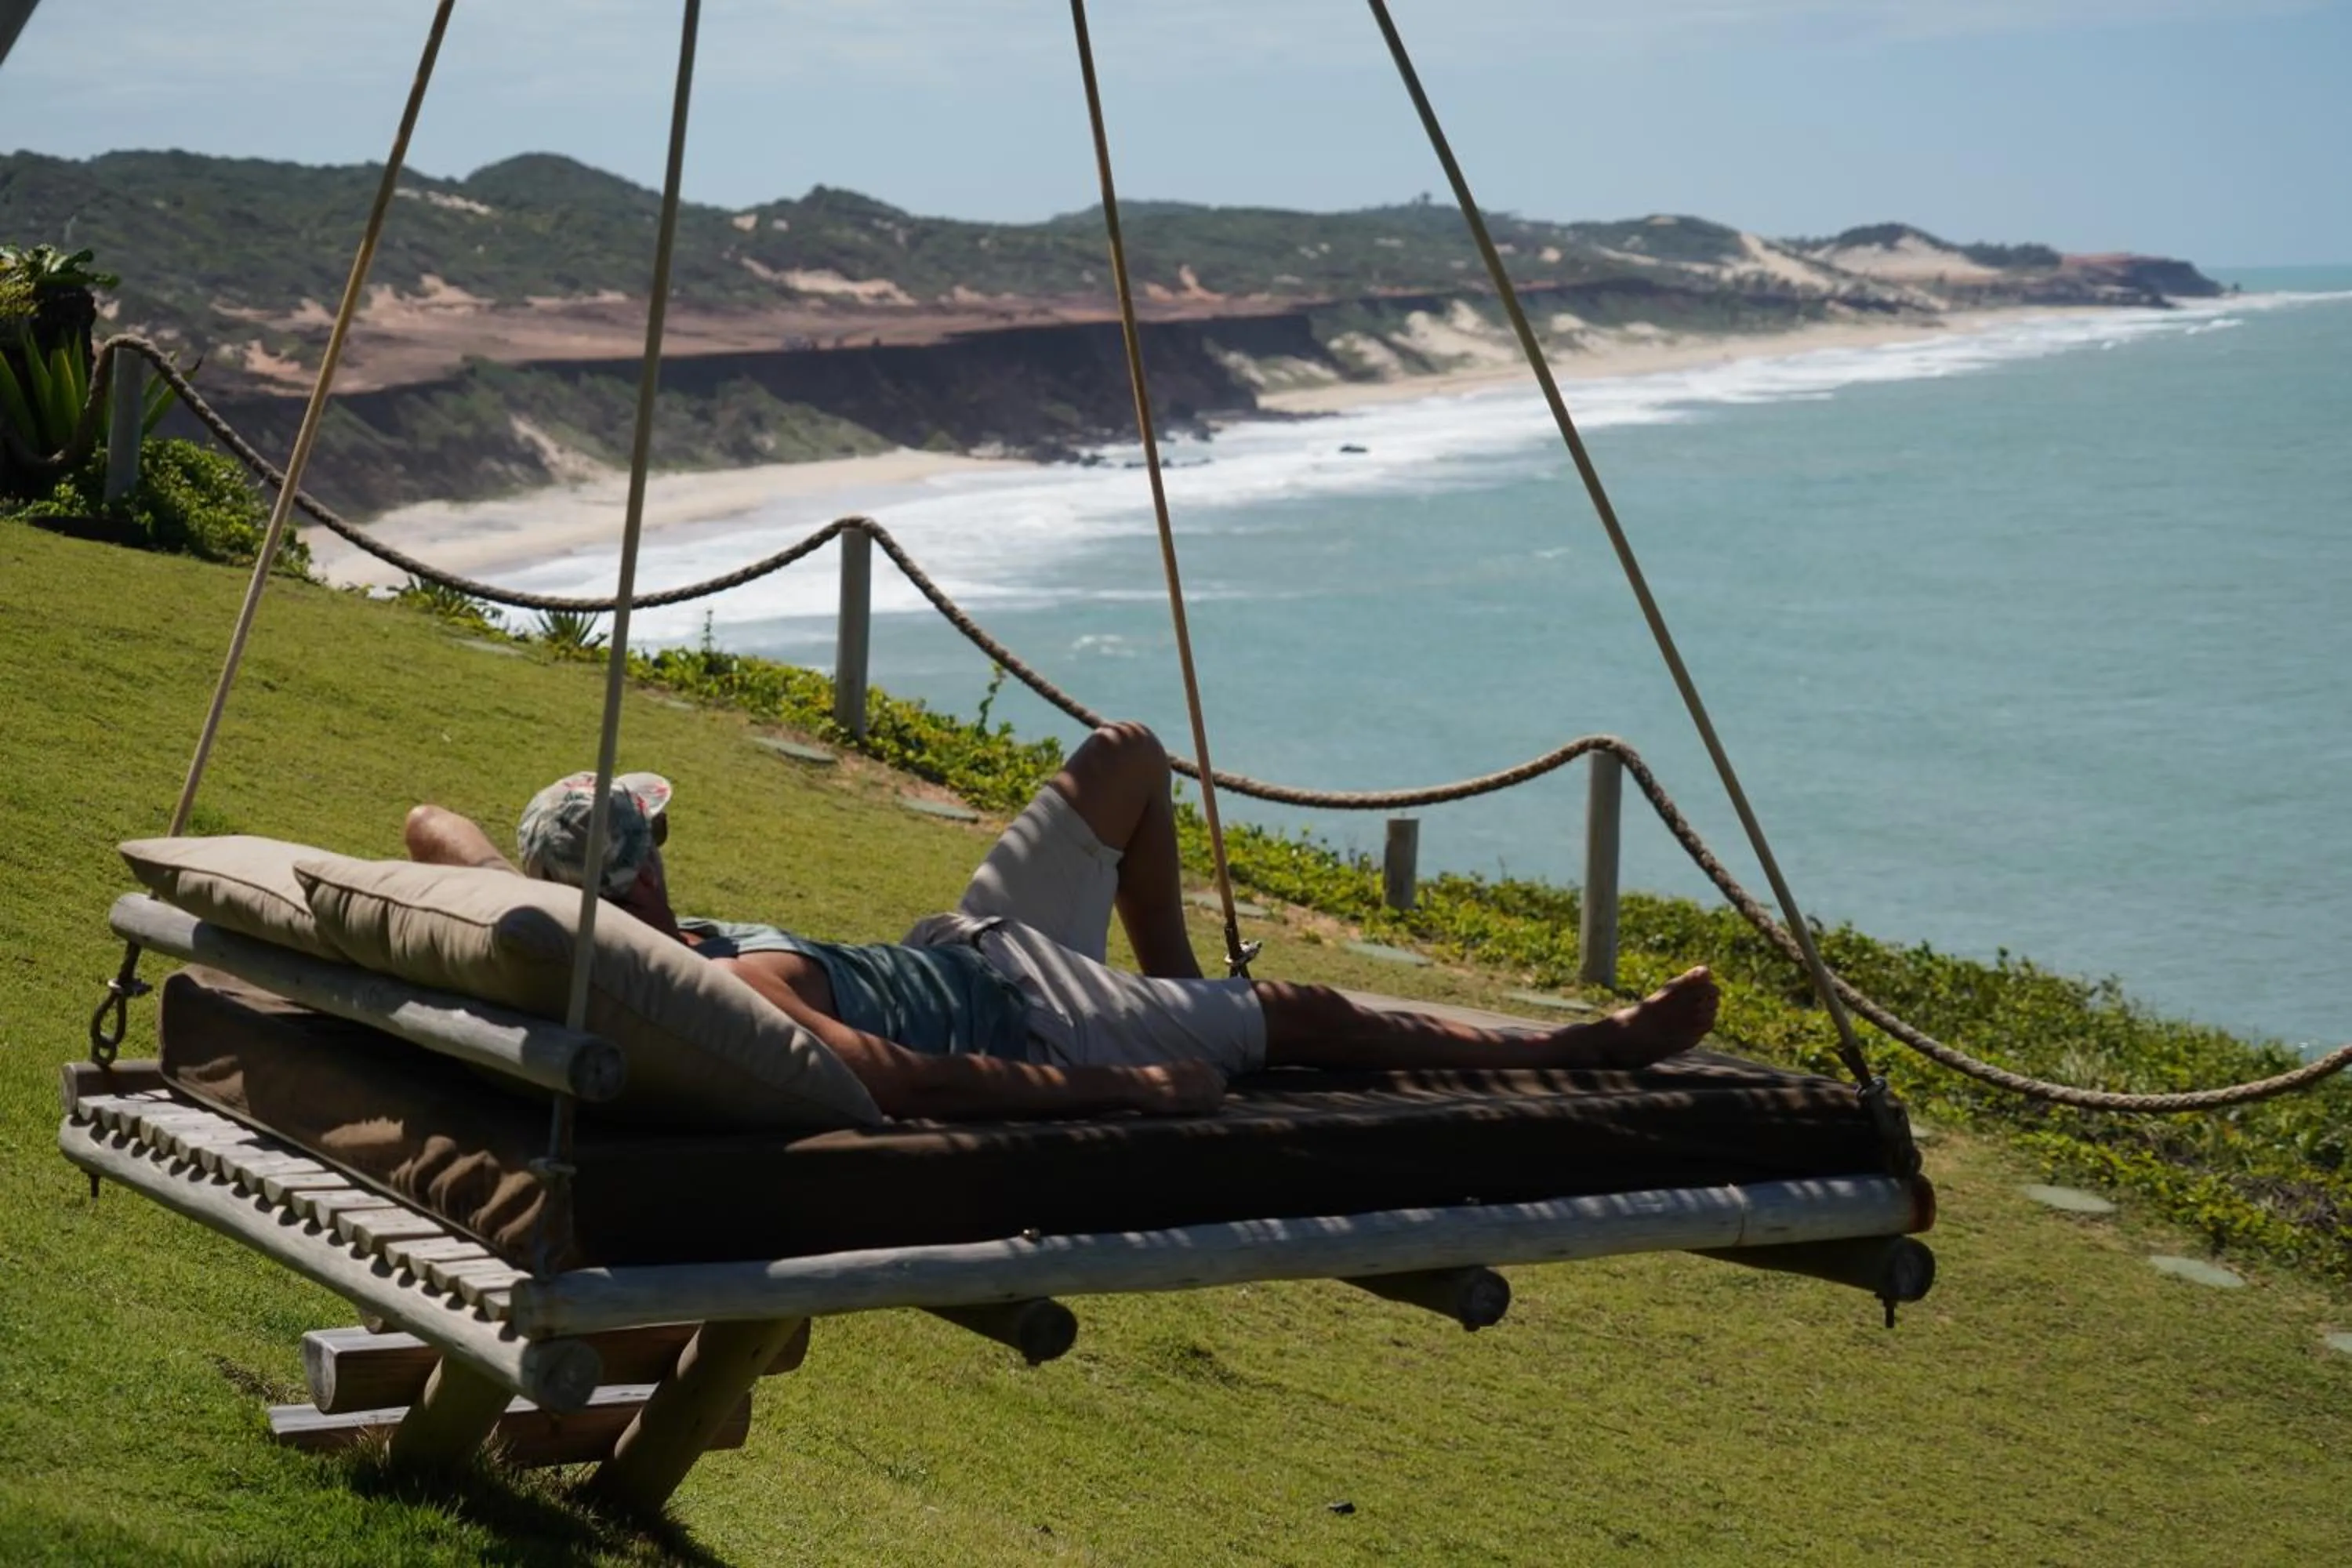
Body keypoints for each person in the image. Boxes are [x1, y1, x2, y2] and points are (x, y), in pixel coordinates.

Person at [404, 721, 1719, 1122]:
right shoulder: (730, 990)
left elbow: (434, 825)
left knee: (1125, 758)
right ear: (639, 880)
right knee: (1318, 1011)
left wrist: (521, 887)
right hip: (1041, 1022)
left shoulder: (611, 934)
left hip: (969, 947)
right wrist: (1137, 1086)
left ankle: (1197, 997)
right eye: (660, 842)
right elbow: (904, 1080)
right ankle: (1577, 1048)